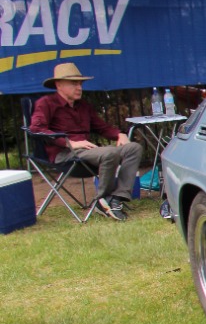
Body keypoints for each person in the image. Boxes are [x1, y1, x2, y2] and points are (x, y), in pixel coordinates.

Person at [29, 62, 143, 221]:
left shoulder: (83, 106)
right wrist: (69, 143)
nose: (79, 88)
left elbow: (101, 127)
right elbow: (36, 129)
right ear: (59, 85)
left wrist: (119, 134)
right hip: (65, 154)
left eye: (80, 83)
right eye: (74, 83)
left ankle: (117, 197)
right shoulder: (46, 103)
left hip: (88, 152)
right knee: (109, 153)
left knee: (134, 148)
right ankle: (102, 200)